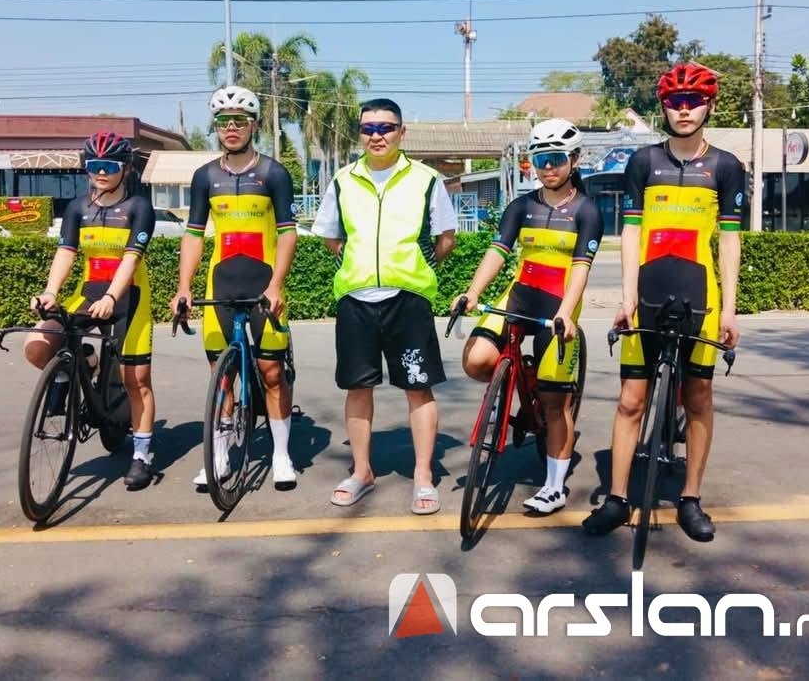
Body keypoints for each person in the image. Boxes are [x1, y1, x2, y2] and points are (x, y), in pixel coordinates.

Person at [583, 63, 744, 542]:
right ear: (664, 108)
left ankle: (690, 499)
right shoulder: (643, 162)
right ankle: (617, 499)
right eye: (675, 102)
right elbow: (631, 232)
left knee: (698, 398)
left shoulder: (726, 167)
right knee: (631, 400)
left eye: (693, 101)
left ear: (709, 106)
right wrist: (627, 295)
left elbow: (729, 241)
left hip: (701, 295)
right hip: (647, 293)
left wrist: (729, 309)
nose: (684, 110)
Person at [311, 98, 457, 515]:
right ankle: (362, 472)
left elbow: (445, 237)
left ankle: (423, 476)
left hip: (407, 298)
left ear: (401, 132)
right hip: (356, 299)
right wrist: (354, 264)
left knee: (418, 387)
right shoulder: (343, 180)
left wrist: (417, 266)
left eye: (386, 128)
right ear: (360, 134)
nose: (376, 136)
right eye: (368, 129)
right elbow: (330, 235)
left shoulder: (426, 179)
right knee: (358, 388)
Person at [456, 118, 602, 514]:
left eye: (556, 158)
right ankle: (521, 382)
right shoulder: (521, 206)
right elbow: (498, 252)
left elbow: (581, 268)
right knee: (476, 360)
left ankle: (554, 488)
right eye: (540, 160)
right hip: (520, 295)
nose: (548, 167)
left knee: (555, 403)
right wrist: (472, 292)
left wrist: (566, 313)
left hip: (559, 303)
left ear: (574, 160)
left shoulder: (587, 210)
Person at [170, 85, 300, 490]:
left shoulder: (273, 173)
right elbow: (193, 235)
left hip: (263, 283)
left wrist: (277, 285)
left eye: (239, 120)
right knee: (221, 375)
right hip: (221, 283)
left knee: (272, 373)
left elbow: (288, 233)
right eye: (223, 121)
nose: (231, 127)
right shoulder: (205, 176)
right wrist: (184, 286)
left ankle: (281, 456)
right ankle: (221, 455)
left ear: (253, 125)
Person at [24, 130, 158, 491]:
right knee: (37, 345)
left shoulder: (139, 208)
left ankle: (141, 454)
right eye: (94, 165)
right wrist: (50, 292)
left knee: (136, 380)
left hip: (128, 296)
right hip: (88, 291)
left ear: (125, 168)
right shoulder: (77, 207)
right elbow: (66, 253)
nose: (101, 172)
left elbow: (131, 259)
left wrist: (112, 297)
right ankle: (80, 367)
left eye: (109, 166)